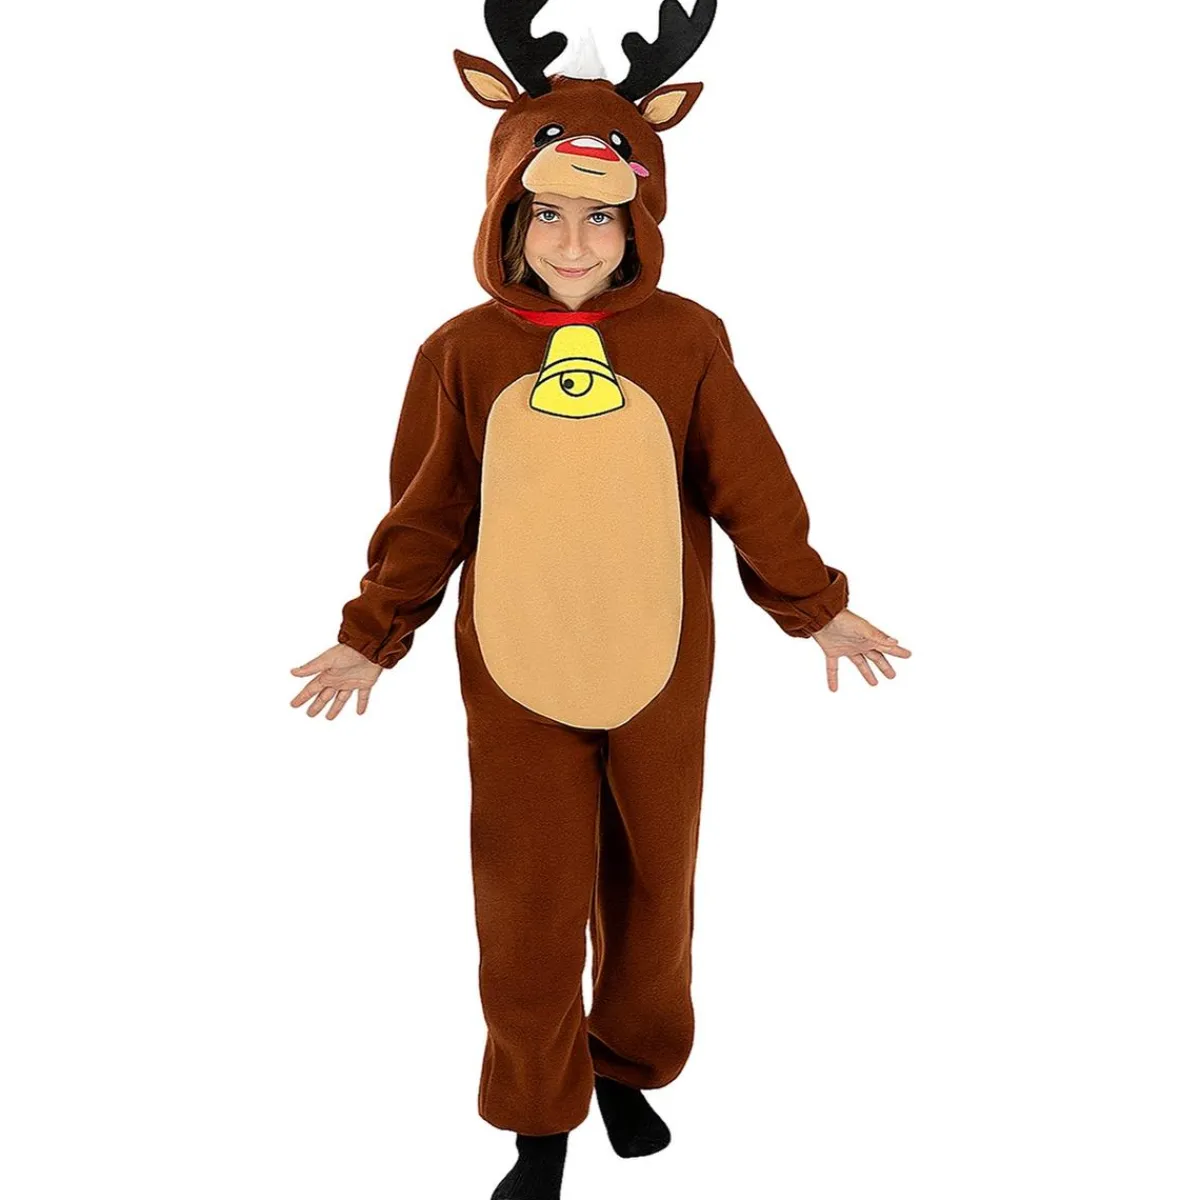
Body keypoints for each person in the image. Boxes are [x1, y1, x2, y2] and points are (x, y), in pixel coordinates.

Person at [290, 6, 910, 1198]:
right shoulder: (461, 353)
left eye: (602, 216)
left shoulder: (688, 341)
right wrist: (374, 634)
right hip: (516, 672)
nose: (574, 242)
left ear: (640, 222)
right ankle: (540, 1120)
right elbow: (428, 509)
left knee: (654, 888)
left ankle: (627, 1065)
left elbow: (750, 482)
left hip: (658, 666)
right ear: (506, 216)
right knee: (527, 899)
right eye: (548, 214)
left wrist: (813, 603)